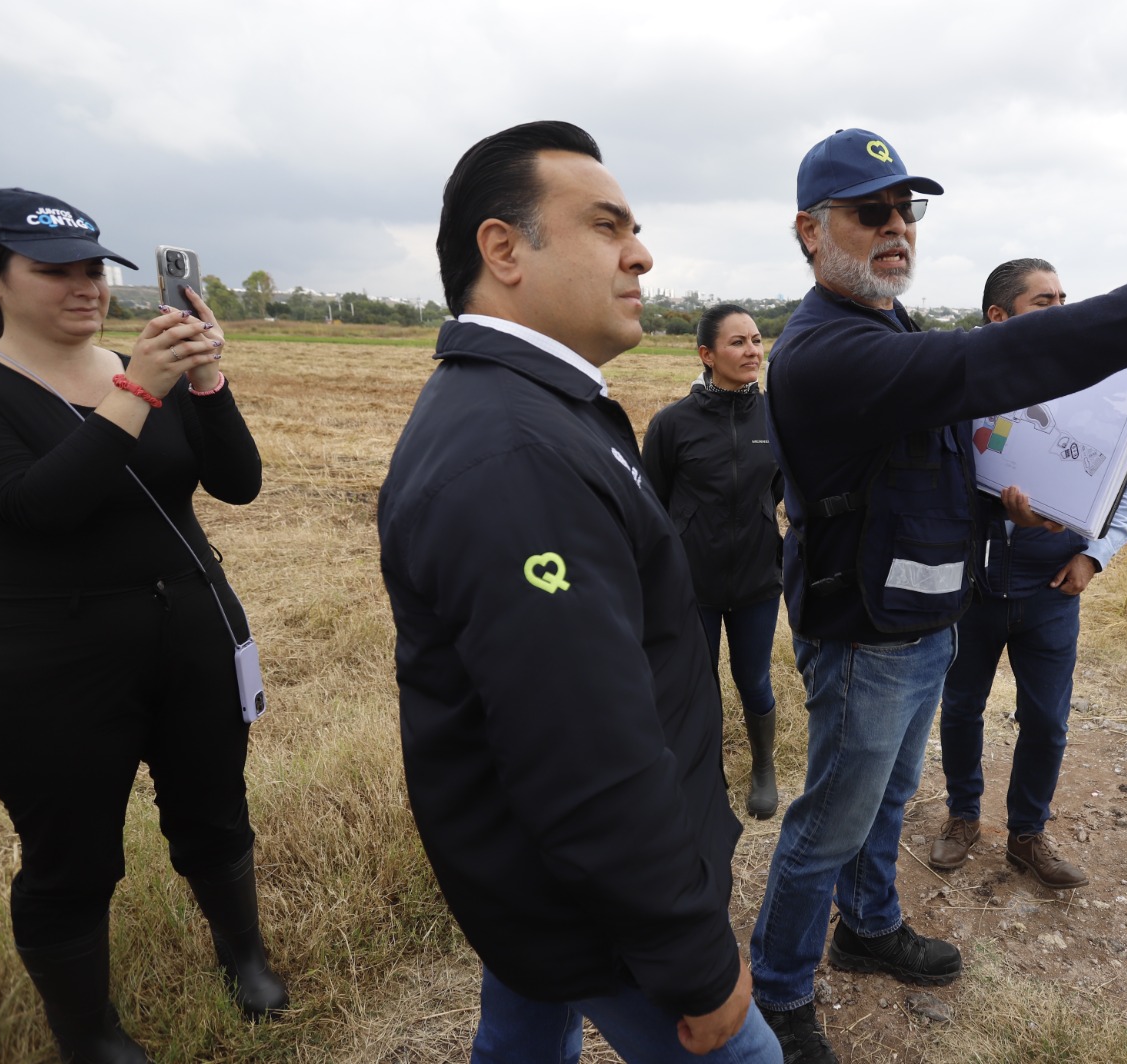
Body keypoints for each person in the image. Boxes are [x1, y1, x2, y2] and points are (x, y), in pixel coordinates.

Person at [749, 127, 1127, 1062]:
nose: (896, 227)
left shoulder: (882, 325)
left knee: (890, 797)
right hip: (865, 632)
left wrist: (1011, 493)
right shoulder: (823, 348)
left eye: (906, 209)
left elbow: (922, 449)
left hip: (925, 615)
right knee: (833, 817)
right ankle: (777, 989)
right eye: (869, 211)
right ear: (810, 231)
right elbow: (981, 367)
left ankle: (869, 926)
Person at [377, 122, 781, 1064]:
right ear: (503, 249)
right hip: (591, 906)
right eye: (608, 226)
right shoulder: (516, 454)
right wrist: (695, 961)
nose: (641, 253)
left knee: (524, 1030)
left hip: (539, 884)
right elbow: (586, 753)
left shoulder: (545, 410)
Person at [0, 188, 284, 1064]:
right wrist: (138, 388)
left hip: (188, 629)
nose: (86, 288)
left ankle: (244, 958)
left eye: (95, 270)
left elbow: (238, 483)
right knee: (70, 854)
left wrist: (207, 382)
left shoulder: (146, 366)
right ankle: (89, 1033)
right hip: (45, 659)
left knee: (215, 812)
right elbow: (36, 509)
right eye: (53, 271)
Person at [928, 259, 1127, 888]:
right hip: (970, 592)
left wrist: (1092, 556)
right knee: (961, 706)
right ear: (998, 318)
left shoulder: (1094, 403)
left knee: (1048, 719)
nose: (1062, 311)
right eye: (1043, 302)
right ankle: (962, 817)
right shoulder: (961, 398)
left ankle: (1027, 835)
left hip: (1052, 592)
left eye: (1064, 299)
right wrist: (995, 510)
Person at [643, 304, 785, 819]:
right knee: (696, 684)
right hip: (691, 585)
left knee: (754, 680)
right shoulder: (672, 424)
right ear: (706, 354)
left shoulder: (776, 416)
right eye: (737, 343)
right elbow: (653, 506)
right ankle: (705, 777)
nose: (752, 351)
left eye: (756, 339)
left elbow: (776, 492)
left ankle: (764, 768)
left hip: (757, 582)